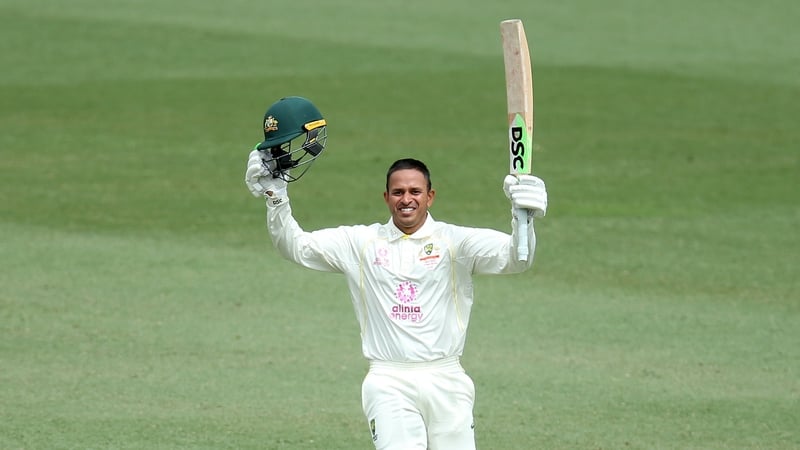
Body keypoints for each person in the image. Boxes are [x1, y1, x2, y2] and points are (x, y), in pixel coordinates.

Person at [245, 96, 548, 450]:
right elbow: (294, 246)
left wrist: (523, 216)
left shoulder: (456, 242)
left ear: (430, 196)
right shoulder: (359, 242)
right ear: (386, 197)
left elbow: (518, 258)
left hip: (446, 378)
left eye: (415, 191)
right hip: (388, 379)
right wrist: (275, 195)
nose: (407, 199)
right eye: (399, 192)